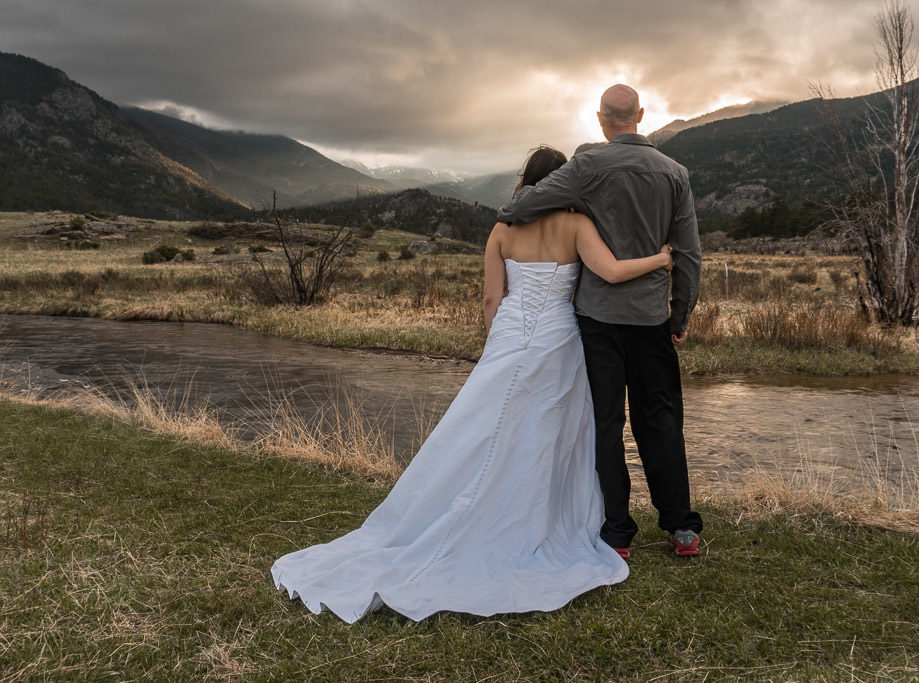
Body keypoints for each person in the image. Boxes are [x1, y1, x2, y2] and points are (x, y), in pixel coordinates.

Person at [271, 146, 673, 623]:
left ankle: (458, 513)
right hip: (559, 341)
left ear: (526, 181)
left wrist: (499, 342)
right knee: (551, 432)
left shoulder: (503, 228)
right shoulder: (577, 225)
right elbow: (609, 272)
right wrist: (661, 259)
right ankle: (541, 518)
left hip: (510, 334)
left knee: (484, 428)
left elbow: (490, 298)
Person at [496, 84, 703, 559]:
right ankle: (681, 528)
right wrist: (680, 312)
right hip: (652, 320)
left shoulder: (588, 165)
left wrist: (518, 212)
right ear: (641, 115)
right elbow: (688, 253)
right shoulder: (675, 174)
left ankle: (617, 531)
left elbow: (523, 206)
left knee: (605, 424)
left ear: (601, 119)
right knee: (662, 419)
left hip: (598, 321)